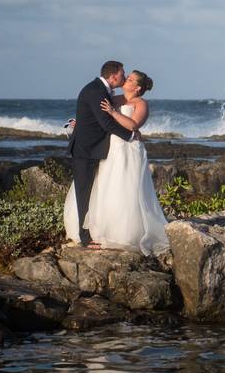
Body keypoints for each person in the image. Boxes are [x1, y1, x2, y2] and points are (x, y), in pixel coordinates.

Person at [63, 69, 170, 255]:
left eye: (130, 79)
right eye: (126, 77)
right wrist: (77, 123)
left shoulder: (141, 103)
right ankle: (97, 229)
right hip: (110, 149)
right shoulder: (114, 98)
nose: (126, 79)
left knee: (126, 188)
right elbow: (97, 115)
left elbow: (133, 125)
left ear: (137, 87)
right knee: (106, 187)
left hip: (129, 150)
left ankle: (126, 234)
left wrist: (113, 112)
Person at [66, 61, 134, 249]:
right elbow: (106, 123)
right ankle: (84, 237)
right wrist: (131, 135)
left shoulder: (101, 90)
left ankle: (91, 230)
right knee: (83, 192)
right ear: (113, 76)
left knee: (94, 192)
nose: (124, 76)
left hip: (94, 149)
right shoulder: (96, 91)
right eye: (122, 73)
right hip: (85, 150)